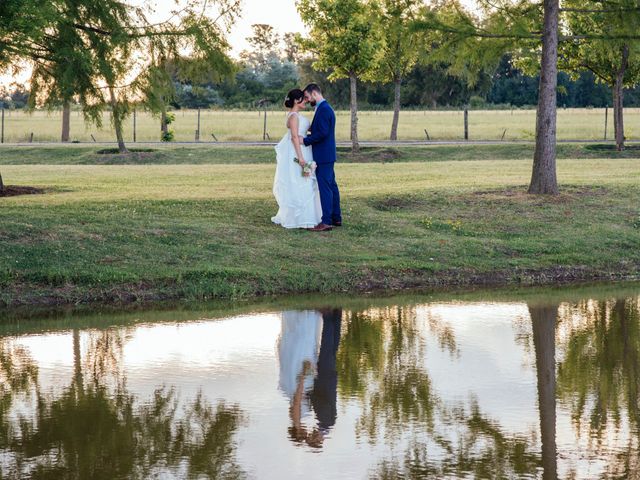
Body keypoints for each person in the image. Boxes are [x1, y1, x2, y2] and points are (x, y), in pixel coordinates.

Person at [271, 88, 322, 229]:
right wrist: (300, 158)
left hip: (304, 149)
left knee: (306, 181)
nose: (305, 100)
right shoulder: (293, 116)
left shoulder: (297, 115)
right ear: (296, 100)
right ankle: (301, 218)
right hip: (298, 152)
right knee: (300, 181)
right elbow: (294, 137)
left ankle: (309, 215)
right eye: (303, 98)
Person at [299, 83, 342, 232]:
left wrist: (305, 140)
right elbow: (322, 130)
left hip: (323, 155)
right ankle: (336, 217)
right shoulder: (324, 108)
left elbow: (323, 133)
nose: (307, 99)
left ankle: (326, 222)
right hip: (327, 154)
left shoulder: (323, 109)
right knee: (331, 186)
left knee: (325, 188)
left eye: (307, 96)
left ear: (314, 94)